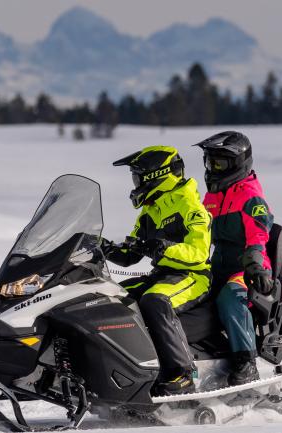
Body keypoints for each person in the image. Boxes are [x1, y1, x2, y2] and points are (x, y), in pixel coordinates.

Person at [103, 145, 212, 396]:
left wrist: (163, 249)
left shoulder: (190, 205)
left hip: (193, 276)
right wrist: (103, 248)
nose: (136, 183)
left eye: (138, 177)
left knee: (155, 301)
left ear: (157, 176)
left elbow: (199, 254)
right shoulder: (151, 210)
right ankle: (132, 370)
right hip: (162, 275)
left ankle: (183, 374)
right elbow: (131, 253)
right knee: (112, 296)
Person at [194, 131, 274, 386]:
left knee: (230, 297)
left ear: (238, 163)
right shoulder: (213, 197)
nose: (212, 168)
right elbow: (200, 234)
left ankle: (246, 362)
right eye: (209, 162)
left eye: (219, 163)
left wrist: (255, 266)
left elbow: (258, 236)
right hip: (217, 267)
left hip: (247, 271)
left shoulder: (251, 197)